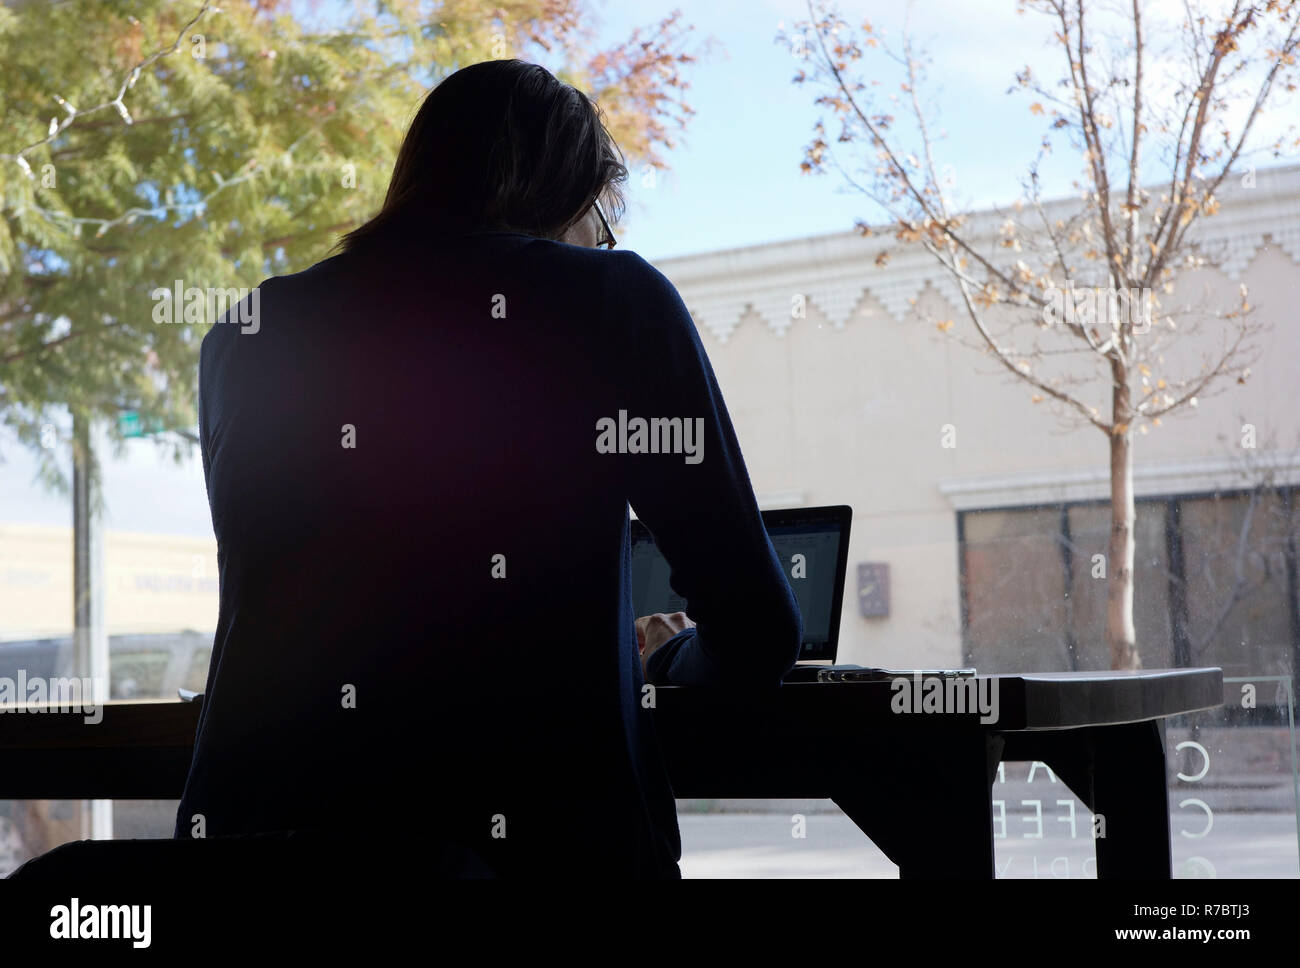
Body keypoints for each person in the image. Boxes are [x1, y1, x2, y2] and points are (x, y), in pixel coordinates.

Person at [168, 58, 802, 879]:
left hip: (248, 857)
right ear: (568, 196)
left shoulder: (245, 335)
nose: (601, 247)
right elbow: (757, 628)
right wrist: (662, 661)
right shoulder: (613, 300)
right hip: (533, 854)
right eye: (600, 225)